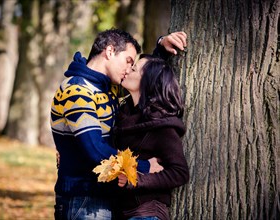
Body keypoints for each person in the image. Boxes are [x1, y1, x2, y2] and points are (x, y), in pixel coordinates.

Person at [50, 28, 187, 220]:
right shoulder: (77, 90)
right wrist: (144, 167)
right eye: (128, 61)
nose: (129, 69)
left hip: (105, 198)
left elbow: (146, 79)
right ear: (110, 51)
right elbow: (95, 150)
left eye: (133, 65)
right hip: (83, 199)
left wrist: (162, 48)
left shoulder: (108, 89)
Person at [113, 54, 189, 220]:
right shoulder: (122, 114)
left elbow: (180, 172)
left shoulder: (161, 125)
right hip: (120, 212)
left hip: (146, 213)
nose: (128, 70)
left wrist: (137, 179)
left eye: (134, 69)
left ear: (148, 81)